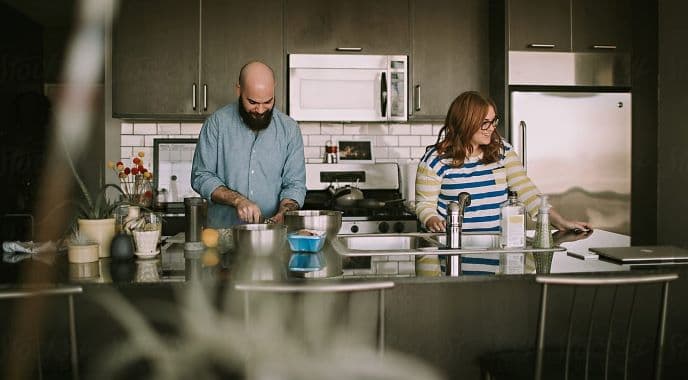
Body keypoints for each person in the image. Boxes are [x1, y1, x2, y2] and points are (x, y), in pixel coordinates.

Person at [415, 91, 591, 275]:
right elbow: (424, 204)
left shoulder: (502, 151)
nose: (491, 128)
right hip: (453, 254)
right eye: (485, 123)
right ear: (465, 122)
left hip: (497, 254)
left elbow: (526, 191)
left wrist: (561, 222)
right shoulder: (435, 160)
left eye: (493, 121)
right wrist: (432, 219)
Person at [191, 61, 306, 228]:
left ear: (274, 88)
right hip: (222, 237)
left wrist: (285, 212)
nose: (260, 110)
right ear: (239, 90)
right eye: (252, 102)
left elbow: (295, 184)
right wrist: (238, 200)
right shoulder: (216, 124)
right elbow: (201, 175)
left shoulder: (290, 130)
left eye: (268, 102)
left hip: (271, 237)